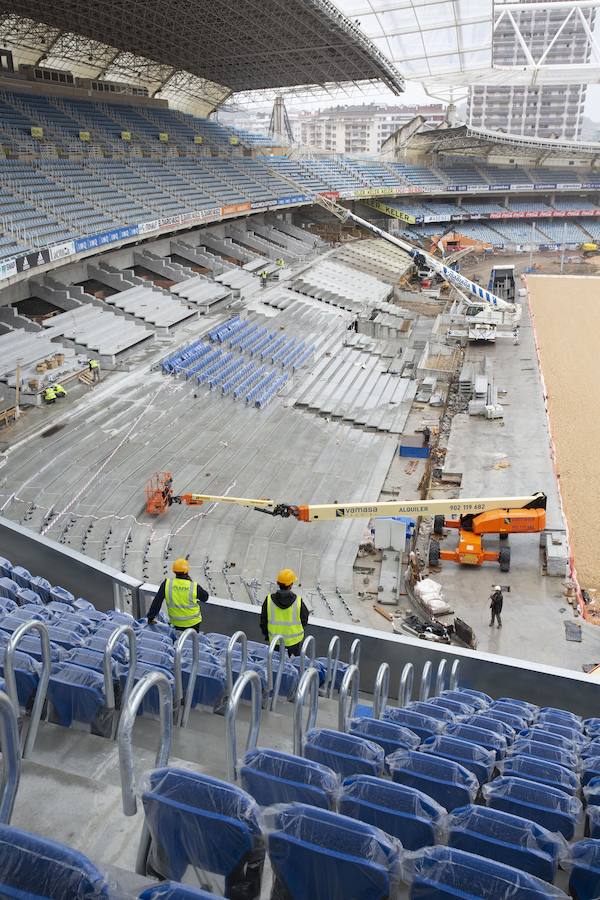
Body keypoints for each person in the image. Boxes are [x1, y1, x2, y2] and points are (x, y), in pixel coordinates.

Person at [147, 558, 209, 632]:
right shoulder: (194, 586)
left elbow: (157, 602)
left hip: (176, 622)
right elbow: (205, 597)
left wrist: (150, 617)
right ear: (187, 570)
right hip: (193, 623)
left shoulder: (167, 584)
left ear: (174, 571)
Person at [260, 568, 309, 657]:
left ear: (278, 583)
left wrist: (268, 635)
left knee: (275, 662)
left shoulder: (269, 600)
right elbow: (304, 620)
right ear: (291, 584)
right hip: (294, 643)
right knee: (292, 663)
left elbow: (263, 621)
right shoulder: (298, 601)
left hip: (275, 641)